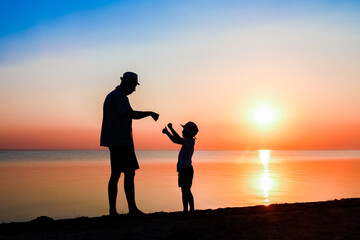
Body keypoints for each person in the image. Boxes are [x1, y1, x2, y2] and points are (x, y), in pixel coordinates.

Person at [100, 71, 159, 216]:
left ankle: (113, 210)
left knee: (115, 175)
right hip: (121, 141)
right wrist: (149, 113)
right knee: (129, 173)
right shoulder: (120, 97)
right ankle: (131, 209)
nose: (134, 89)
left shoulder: (112, 96)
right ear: (127, 83)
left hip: (114, 141)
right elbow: (129, 114)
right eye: (134, 86)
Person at [162, 121, 199, 212]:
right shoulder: (187, 141)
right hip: (184, 170)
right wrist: (168, 132)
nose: (182, 131)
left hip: (186, 170)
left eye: (184, 130)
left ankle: (191, 209)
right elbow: (176, 140)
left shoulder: (189, 142)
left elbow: (177, 139)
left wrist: (170, 129)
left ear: (188, 133)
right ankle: (186, 209)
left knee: (186, 190)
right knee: (184, 190)